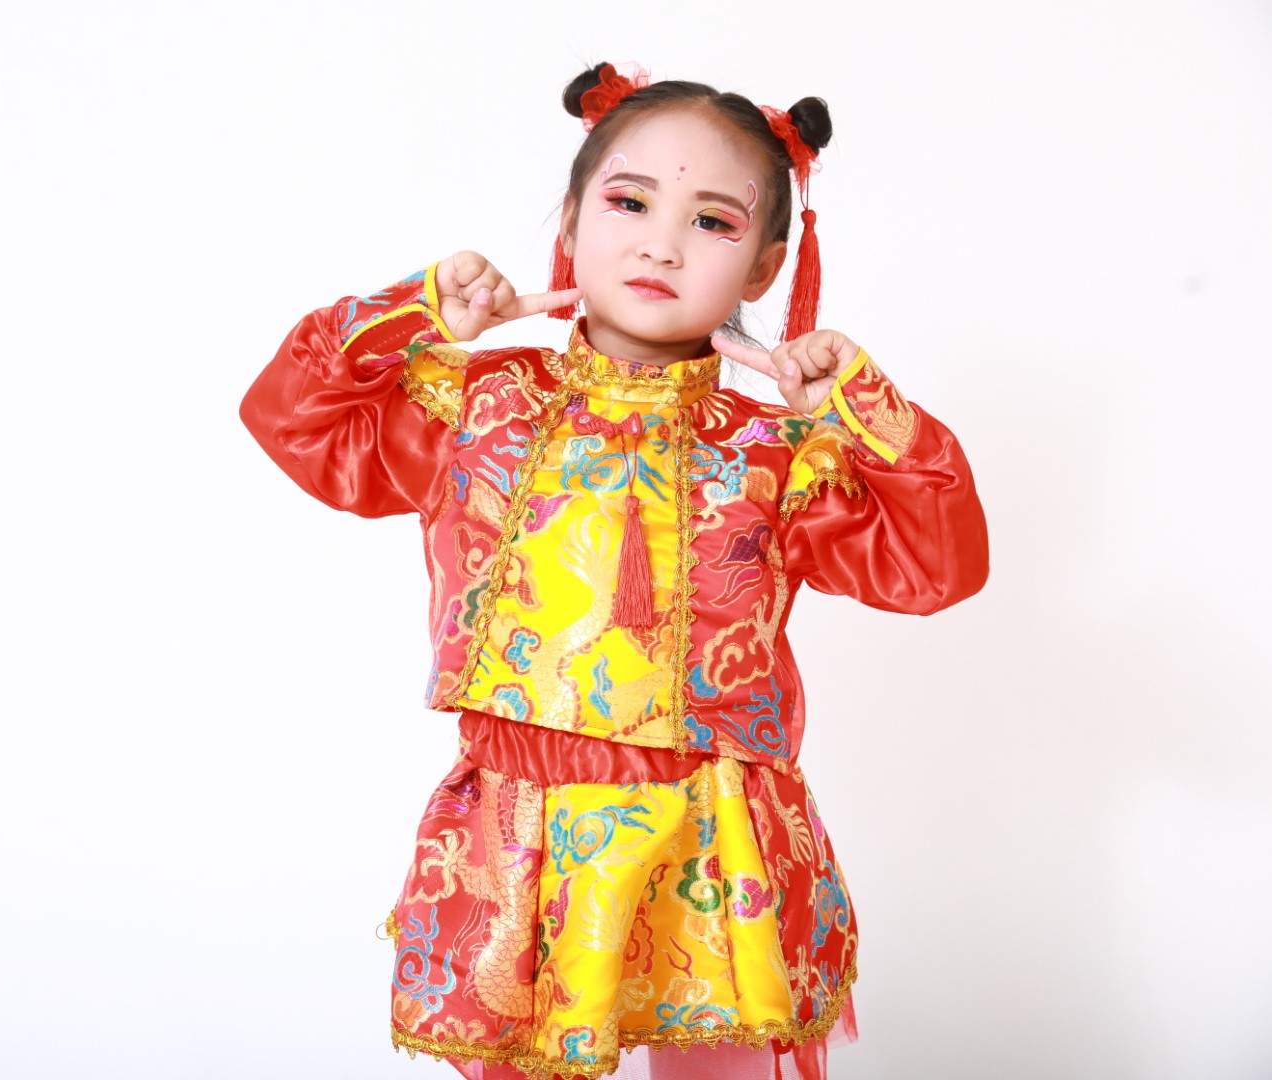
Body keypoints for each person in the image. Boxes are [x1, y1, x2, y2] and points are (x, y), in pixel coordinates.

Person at [239, 61, 988, 1080]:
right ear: (571, 218)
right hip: (520, 824)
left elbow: (936, 565)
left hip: (714, 831)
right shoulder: (475, 409)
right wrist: (415, 312)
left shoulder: (776, 454)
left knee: (721, 1065)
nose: (661, 243)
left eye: (712, 221)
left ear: (764, 267)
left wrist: (863, 407)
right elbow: (290, 414)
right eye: (630, 202)